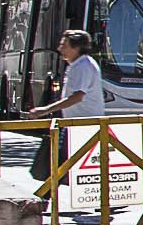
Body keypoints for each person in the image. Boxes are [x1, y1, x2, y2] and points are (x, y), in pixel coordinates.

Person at [19, 27, 108, 188]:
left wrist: (45, 110)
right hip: (74, 123)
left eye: (64, 45)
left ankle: (44, 199)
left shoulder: (83, 66)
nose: (60, 49)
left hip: (84, 125)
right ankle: (47, 198)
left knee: (61, 163)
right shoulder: (77, 65)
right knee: (65, 163)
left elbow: (77, 96)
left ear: (76, 48)